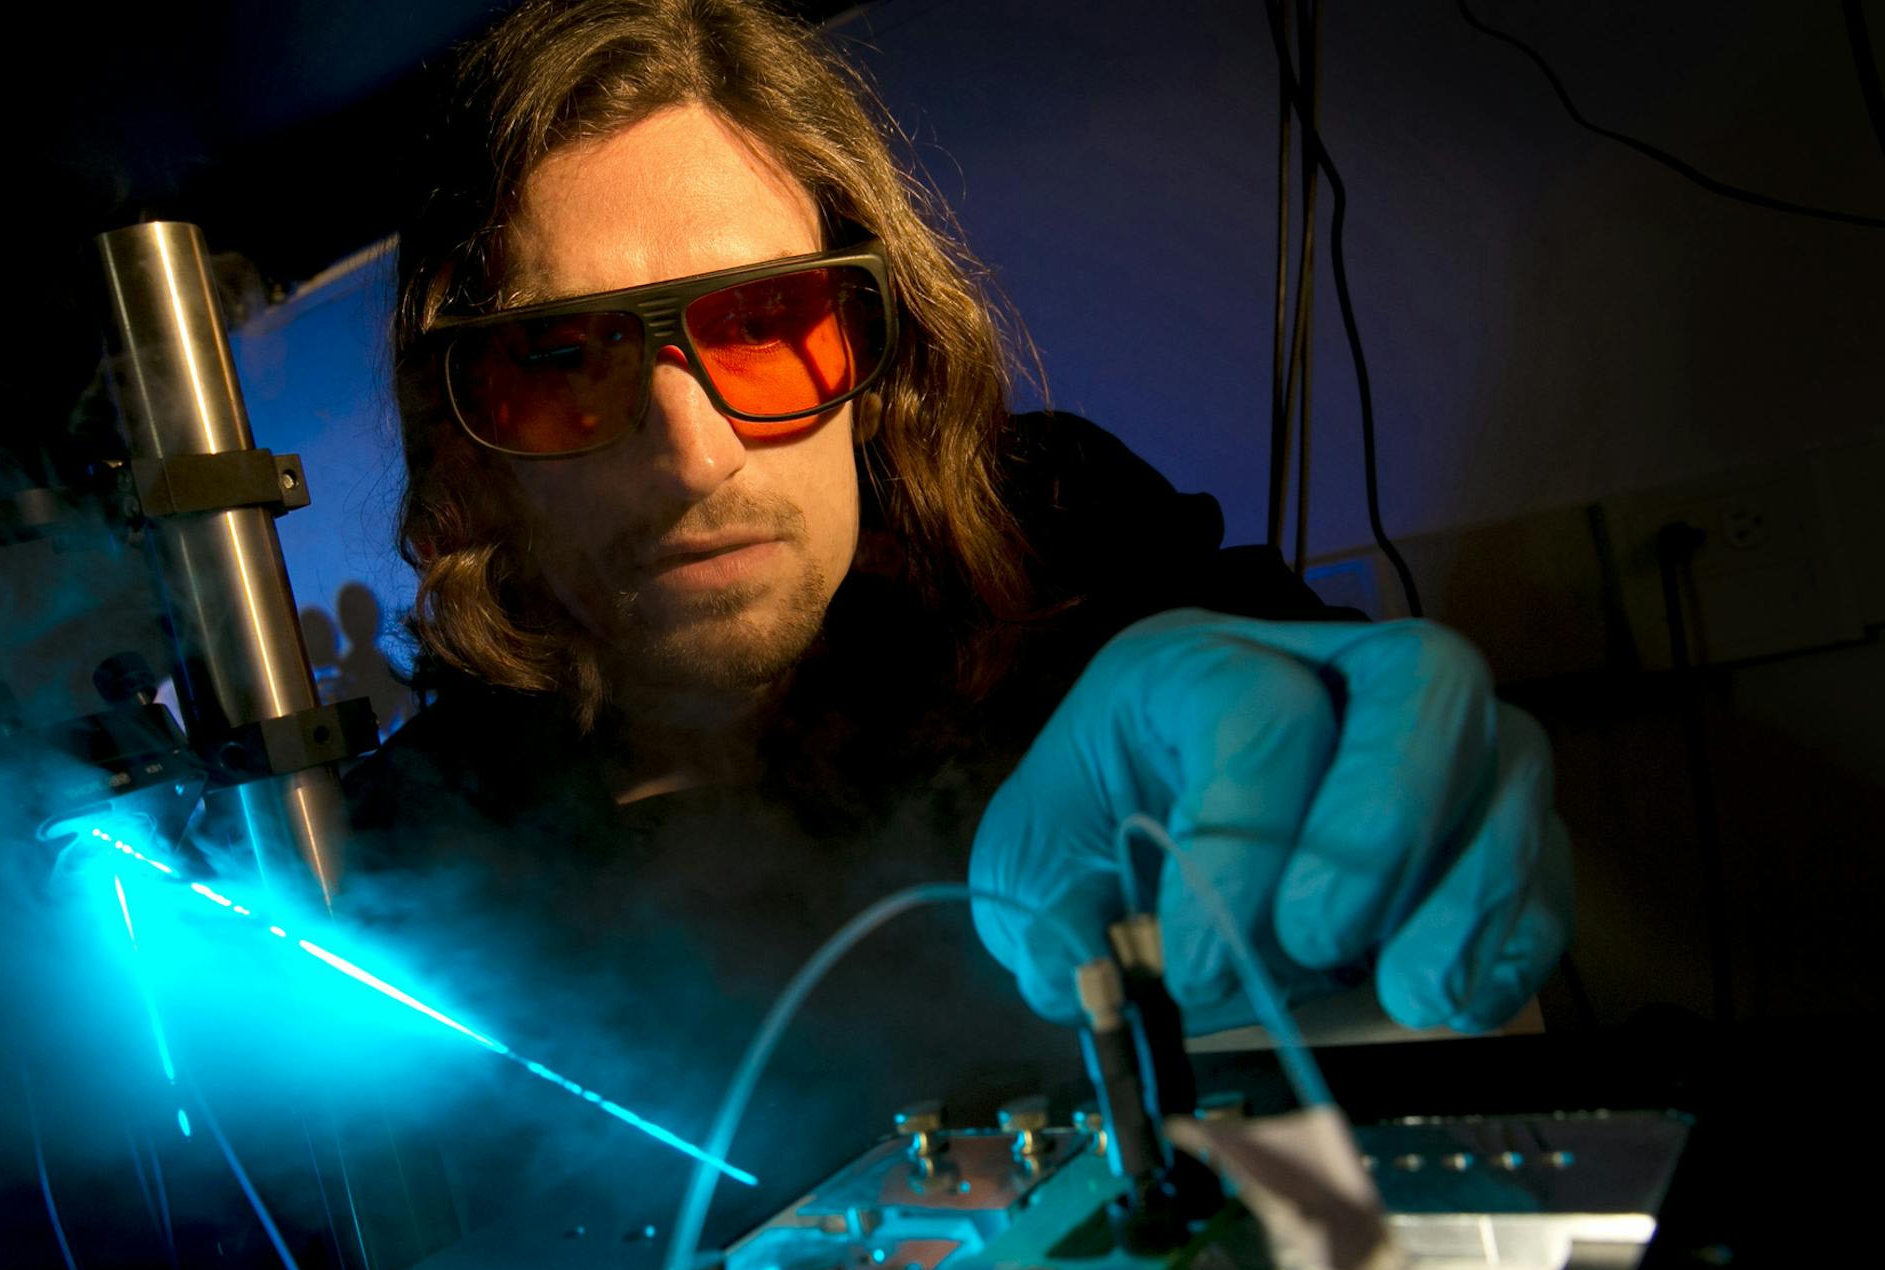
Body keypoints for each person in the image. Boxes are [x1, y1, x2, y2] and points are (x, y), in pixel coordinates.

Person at [350, 0, 1570, 1070]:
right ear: (467, 435)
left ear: (879, 353)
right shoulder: (432, 833)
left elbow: (1285, 720)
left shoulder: (1060, 535)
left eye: (769, 322)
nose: (694, 453)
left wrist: (1346, 763)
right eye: (560, 360)